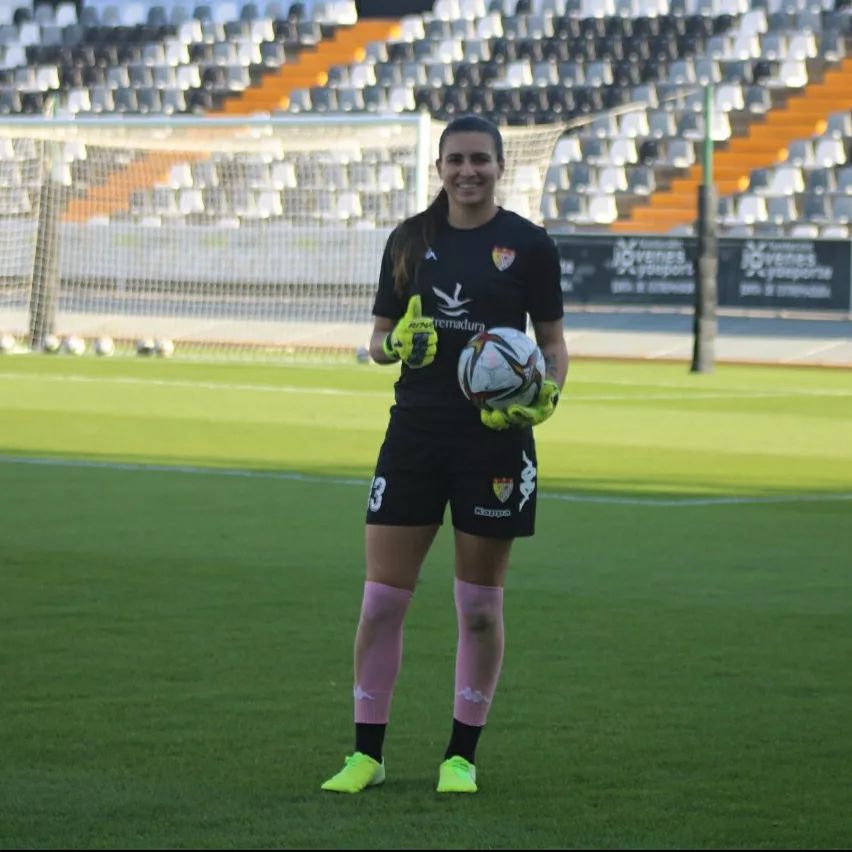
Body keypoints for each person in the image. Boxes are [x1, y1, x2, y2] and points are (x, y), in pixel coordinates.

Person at [322, 115, 569, 795]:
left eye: (480, 160)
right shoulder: (409, 241)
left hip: (494, 440)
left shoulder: (529, 245)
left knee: (480, 607)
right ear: (439, 167)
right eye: (456, 160)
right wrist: (395, 342)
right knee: (380, 603)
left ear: (498, 167)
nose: (469, 172)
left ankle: (460, 756)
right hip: (415, 435)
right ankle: (365, 756)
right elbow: (375, 340)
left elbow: (551, 344)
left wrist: (546, 394)